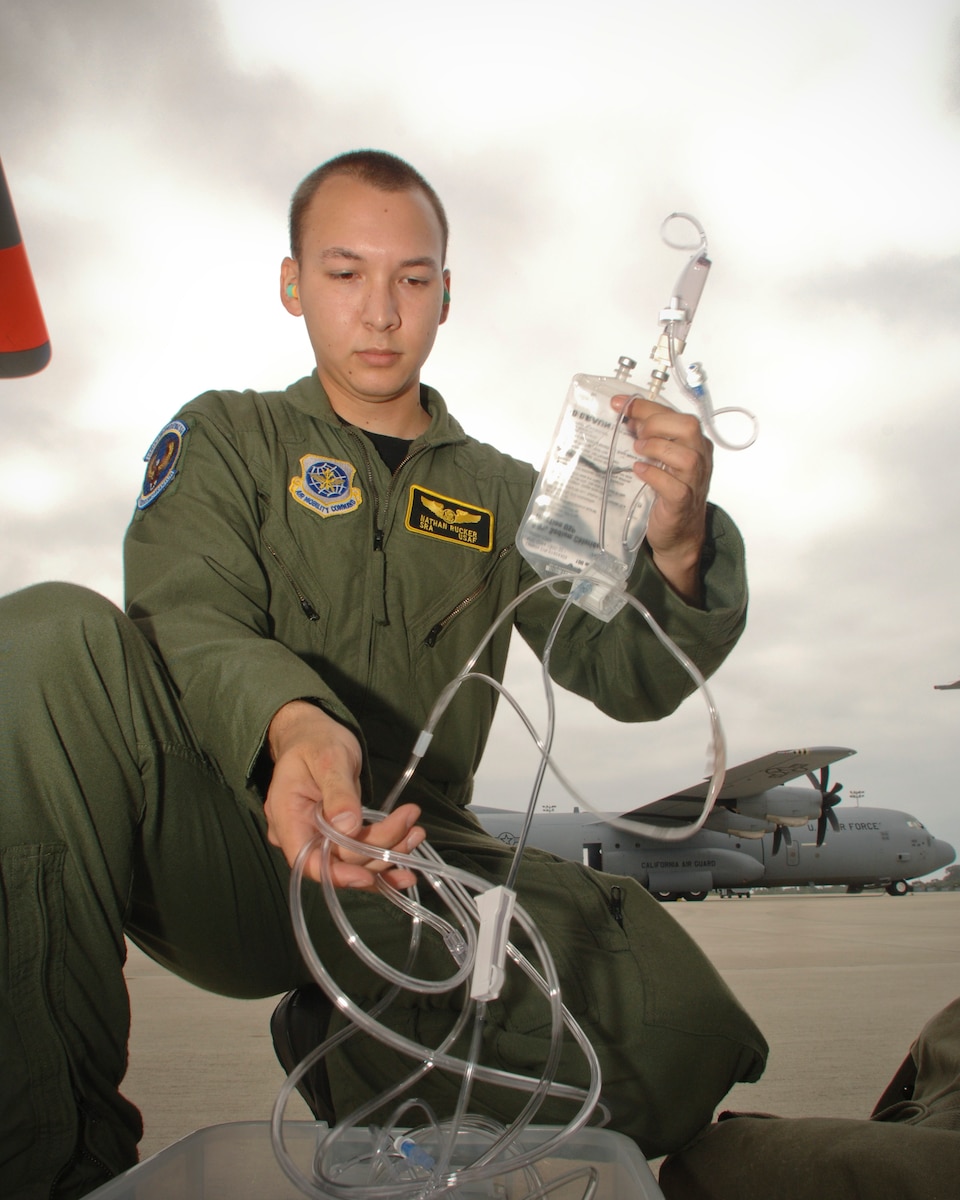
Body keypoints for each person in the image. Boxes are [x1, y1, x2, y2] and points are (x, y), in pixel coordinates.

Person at [0, 150, 767, 1200]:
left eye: (412, 279)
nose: (380, 312)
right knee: (44, 640)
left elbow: (627, 675)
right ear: (291, 284)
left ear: (446, 296)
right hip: (229, 836)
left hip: (417, 866)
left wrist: (677, 548)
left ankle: (368, 1044)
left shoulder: (505, 495)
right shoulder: (227, 436)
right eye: (345, 271)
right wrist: (295, 732)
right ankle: (47, 1164)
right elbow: (192, 611)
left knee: (676, 1041)